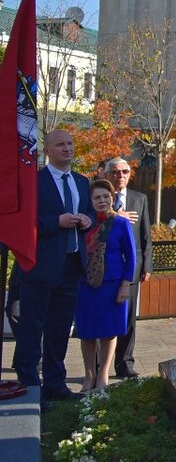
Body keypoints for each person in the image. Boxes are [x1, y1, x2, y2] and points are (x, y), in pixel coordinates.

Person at [13, 129, 93, 403]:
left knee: (60, 329)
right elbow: (23, 224)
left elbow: (92, 213)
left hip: (71, 266)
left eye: (70, 143)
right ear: (47, 150)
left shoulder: (82, 182)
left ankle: (55, 384)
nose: (67, 148)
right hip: (40, 267)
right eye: (60, 145)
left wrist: (87, 220)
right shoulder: (35, 182)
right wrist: (55, 223)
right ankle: (29, 384)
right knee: (32, 329)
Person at [74, 179, 136, 392]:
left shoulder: (121, 223)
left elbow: (131, 256)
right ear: (90, 201)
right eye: (97, 197)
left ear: (112, 197)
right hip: (86, 285)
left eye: (106, 196)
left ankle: (103, 376)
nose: (102, 201)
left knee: (109, 331)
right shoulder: (84, 224)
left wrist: (125, 285)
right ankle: (89, 376)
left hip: (112, 285)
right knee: (87, 331)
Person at [103, 157, 153, 379]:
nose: (120, 176)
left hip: (132, 268)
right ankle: (99, 367)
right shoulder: (99, 197)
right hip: (105, 269)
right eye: (115, 172)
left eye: (124, 171)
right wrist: (116, 216)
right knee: (103, 316)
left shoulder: (139, 198)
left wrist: (148, 265)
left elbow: (146, 236)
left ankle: (124, 364)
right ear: (106, 175)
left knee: (127, 319)